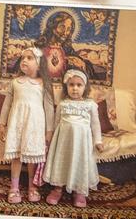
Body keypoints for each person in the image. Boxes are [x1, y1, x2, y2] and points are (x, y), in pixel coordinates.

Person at [0, 46, 55, 203]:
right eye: (23, 58)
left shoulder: (44, 84)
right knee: (16, 156)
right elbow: (7, 104)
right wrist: (2, 124)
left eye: (29, 58)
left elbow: (49, 108)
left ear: (39, 64)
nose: (24, 60)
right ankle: (14, 188)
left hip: (35, 126)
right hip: (17, 124)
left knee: (32, 158)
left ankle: (32, 186)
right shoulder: (15, 82)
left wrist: (49, 130)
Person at [43, 68, 103, 209]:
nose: (75, 88)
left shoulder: (90, 105)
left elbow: (95, 125)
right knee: (61, 162)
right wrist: (51, 139)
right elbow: (56, 122)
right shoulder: (63, 104)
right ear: (66, 87)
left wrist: (98, 141)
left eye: (79, 85)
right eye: (71, 85)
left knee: (79, 162)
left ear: (85, 87)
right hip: (63, 142)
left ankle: (79, 190)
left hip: (81, 143)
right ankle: (57, 188)